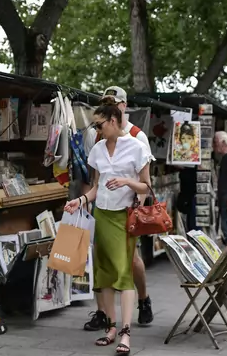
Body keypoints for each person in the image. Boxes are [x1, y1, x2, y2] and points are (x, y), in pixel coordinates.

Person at [65, 98, 153, 355]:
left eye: (100, 125)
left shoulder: (136, 147)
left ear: (113, 121)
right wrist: (79, 201)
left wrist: (127, 181)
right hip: (101, 215)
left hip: (123, 217)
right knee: (103, 273)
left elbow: (146, 187)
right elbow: (95, 187)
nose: (96, 131)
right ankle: (111, 328)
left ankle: (126, 332)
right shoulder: (98, 149)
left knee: (122, 272)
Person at [82, 86, 155, 330]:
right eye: (105, 101)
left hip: (127, 209)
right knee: (101, 261)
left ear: (123, 106)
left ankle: (143, 300)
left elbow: (145, 181)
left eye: (114, 102)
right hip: (103, 209)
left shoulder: (138, 137)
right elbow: (96, 180)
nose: (111, 105)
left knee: (130, 261)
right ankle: (103, 313)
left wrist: (137, 209)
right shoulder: (98, 136)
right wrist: (85, 202)